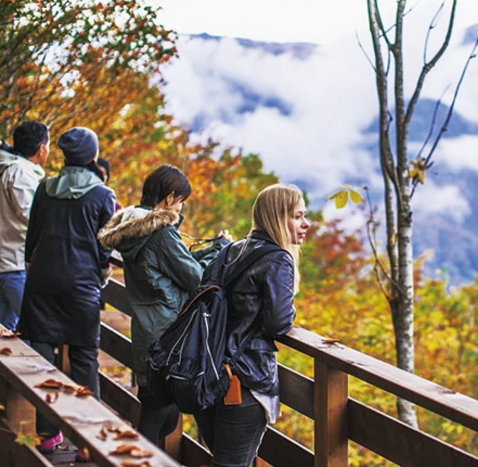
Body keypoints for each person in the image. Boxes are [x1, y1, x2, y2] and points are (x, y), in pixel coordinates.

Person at [97, 164, 231, 446]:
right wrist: (221, 250)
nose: (181, 208)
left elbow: (174, 263)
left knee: (158, 406)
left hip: (146, 327)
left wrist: (212, 248)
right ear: (170, 198)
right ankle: (136, 461)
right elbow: (193, 277)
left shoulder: (135, 229)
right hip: (169, 332)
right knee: (156, 413)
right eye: (181, 201)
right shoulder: (161, 233)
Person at [194, 183, 309, 467]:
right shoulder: (278, 259)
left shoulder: (231, 251)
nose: (306, 223)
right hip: (245, 379)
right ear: (278, 218)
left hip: (207, 372)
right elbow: (278, 324)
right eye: (298, 216)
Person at [18, 126, 115, 461]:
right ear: (92, 155)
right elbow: (105, 248)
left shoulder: (45, 188)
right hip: (81, 287)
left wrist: (34, 265)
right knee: (84, 359)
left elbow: (32, 239)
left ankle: (46, 437)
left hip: (42, 282)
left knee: (44, 360)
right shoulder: (103, 194)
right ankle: (89, 443)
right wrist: (103, 272)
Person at [0, 121, 50, 331]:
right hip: (14, 263)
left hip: (7, 261)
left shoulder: (10, 168)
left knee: (7, 329)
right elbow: (31, 216)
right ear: (40, 148)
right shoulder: (20, 173)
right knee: (36, 329)